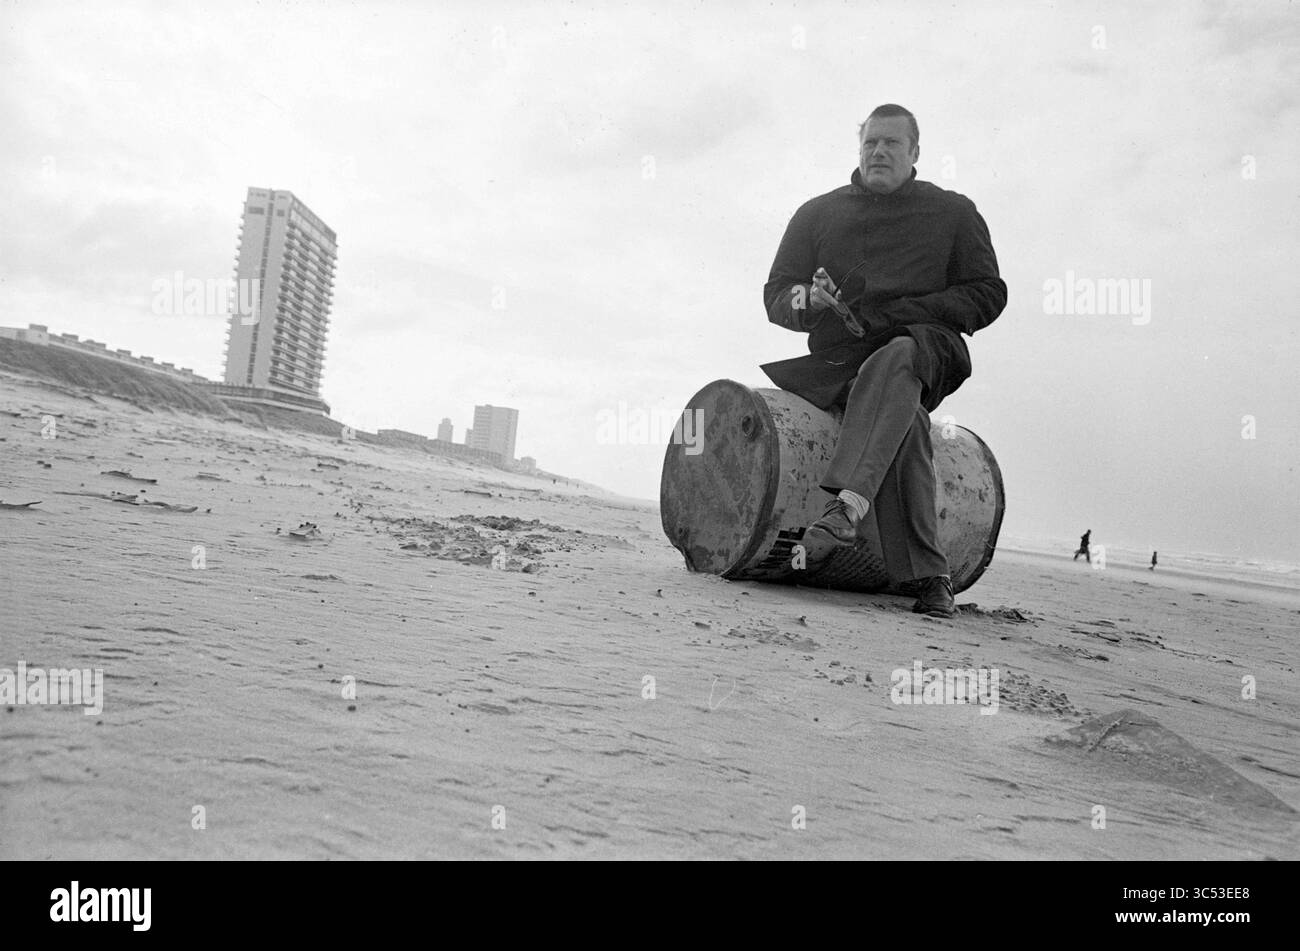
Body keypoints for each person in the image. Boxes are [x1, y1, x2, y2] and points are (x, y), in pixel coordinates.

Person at [761, 104, 1007, 618]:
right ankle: (929, 575)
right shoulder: (816, 213)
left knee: (899, 356)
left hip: (926, 346)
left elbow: (989, 293)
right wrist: (809, 298)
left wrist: (911, 313)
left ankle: (845, 505)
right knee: (905, 420)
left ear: (915, 153)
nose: (879, 151)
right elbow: (777, 296)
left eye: (892, 143)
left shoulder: (954, 212)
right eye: (870, 142)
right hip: (842, 362)